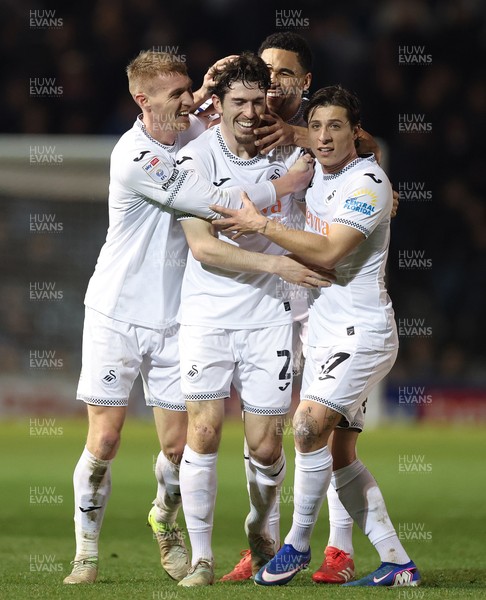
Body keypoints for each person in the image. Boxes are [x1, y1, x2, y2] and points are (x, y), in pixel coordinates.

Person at [63, 49, 317, 585]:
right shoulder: (134, 155)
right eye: (177, 94)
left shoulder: (194, 132)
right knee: (105, 440)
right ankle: (86, 552)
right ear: (143, 101)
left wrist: (208, 95)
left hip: (179, 316)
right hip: (117, 311)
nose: (189, 101)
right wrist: (283, 187)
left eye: (189, 91)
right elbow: (210, 200)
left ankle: (166, 520)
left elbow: (239, 118)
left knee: (180, 447)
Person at [211, 84, 421, 588]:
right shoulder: (317, 172)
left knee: (306, 426)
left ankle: (296, 545)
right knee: (340, 452)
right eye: (319, 126)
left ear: (356, 134)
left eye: (336, 127)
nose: (324, 137)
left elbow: (328, 254)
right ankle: (397, 563)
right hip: (324, 329)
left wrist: (260, 223)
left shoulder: (367, 184)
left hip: (363, 330)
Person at [171, 52, 331, 588]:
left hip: (269, 317)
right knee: (205, 430)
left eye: (258, 101)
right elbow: (203, 247)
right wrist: (276, 257)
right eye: (238, 102)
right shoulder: (194, 156)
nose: (248, 112)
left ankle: (260, 530)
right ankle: (199, 558)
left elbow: (355, 145)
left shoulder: (288, 149)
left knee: (266, 446)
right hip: (206, 316)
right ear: (219, 104)